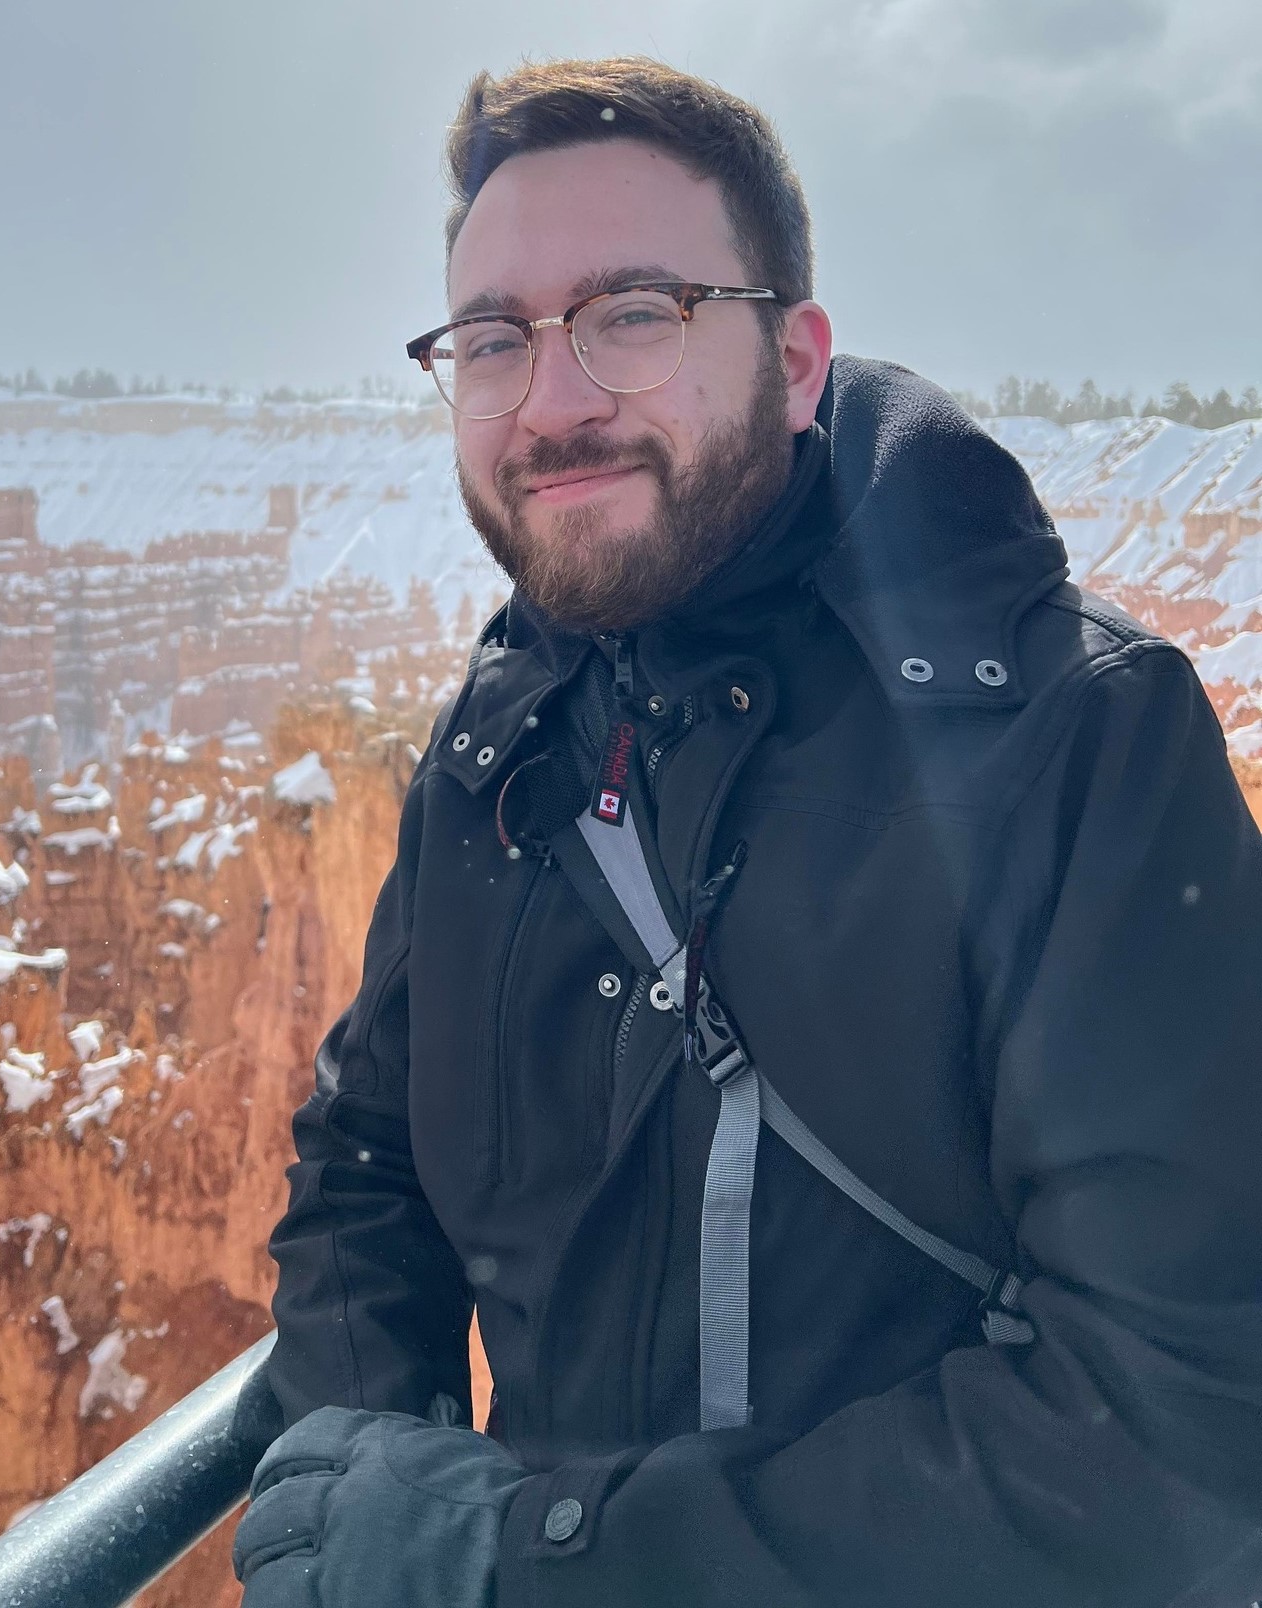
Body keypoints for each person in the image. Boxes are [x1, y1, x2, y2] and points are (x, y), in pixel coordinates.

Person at [233, 58, 1262, 1608]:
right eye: (492, 339)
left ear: (793, 361)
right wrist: (362, 1484)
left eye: (632, 313)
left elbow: (1176, 1416)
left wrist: (522, 1564)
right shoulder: (496, 743)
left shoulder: (1072, 737)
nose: (553, 399)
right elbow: (364, 1155)